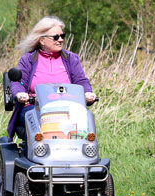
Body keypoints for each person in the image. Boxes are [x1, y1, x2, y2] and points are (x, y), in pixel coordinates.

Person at [6, 16, 96, 148]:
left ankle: (84, 152)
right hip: (34, 108)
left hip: (67, 108)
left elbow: (81, 80)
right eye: (55, 37)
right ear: (42, 40)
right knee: (36, 120)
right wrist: (20, 94)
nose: (60, 40)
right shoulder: (28, 59)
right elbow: (18, 83)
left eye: (62, 36)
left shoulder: (71, 59)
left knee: (86, 117)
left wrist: (88, 93)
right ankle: (39, 152)